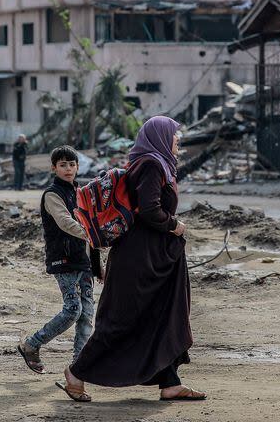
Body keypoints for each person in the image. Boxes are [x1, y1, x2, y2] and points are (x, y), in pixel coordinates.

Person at [56, 116, 206, 403]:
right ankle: (76, 372)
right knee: (122, 319)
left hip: (157, 259)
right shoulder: (151, 164)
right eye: (175, 135)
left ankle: (171, 382)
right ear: (160, 136)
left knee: (164, 317)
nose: (178, 140)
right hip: (141, 258)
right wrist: (174, 225)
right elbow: (150, 210)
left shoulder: (156, 164)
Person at [17, 145, 103, 374]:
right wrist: (92, 234)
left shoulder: (81, 193)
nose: (68, 169)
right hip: (63, 260)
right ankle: (32, 344)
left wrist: (98, 266)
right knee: (73, 309)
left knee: (87, 314)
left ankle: (78, 366)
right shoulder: (52, 194)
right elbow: (65, 222)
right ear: (54, 168)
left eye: (72, 164)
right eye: (63, 165)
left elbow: (90, 225)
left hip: (83, 261)